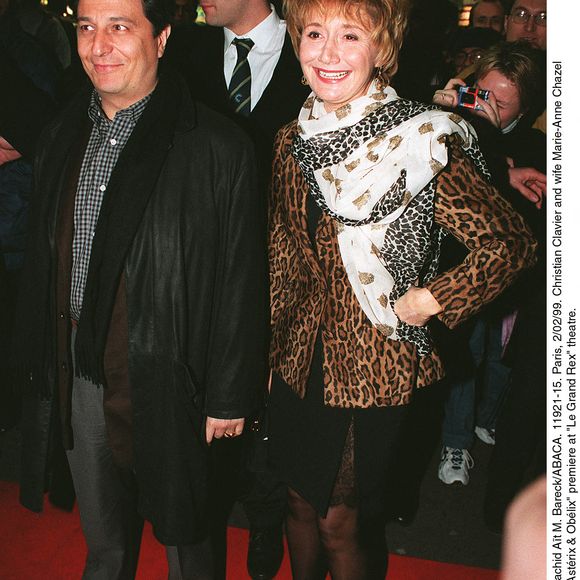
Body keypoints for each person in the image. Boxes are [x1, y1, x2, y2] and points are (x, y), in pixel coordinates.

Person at [267, 0, 537, 577]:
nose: (329, 52)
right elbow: (284, 257)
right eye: (314, 33)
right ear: (297, 43)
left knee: (339, 519)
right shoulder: (292, 140)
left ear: (382, 50)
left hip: (374, 362)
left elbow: (510, 243)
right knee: (294, 499)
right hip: (298, 360)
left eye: (350, 35)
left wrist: (434, 298)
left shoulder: (421, 140)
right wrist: (271, 354)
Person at [14, 0, 268, 578]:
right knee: (103, 537)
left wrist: (229, 394)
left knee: (189, 537)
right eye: (86, 27)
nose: (98, 46)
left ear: (162, 38)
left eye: (121, 27)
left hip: (173, 375)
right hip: (77, 366)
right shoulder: (60, 135)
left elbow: (241, 282)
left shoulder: (216, 147)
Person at [165, 3, 309, 578]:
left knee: (267, 407)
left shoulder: (315, 52)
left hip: (287, 269)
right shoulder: (185, 50)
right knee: (211, 398)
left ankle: (266, 513)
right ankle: (216, 502)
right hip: (204, 263)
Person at [432, 40, 545, 486]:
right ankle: (455, 443)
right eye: (481, 91)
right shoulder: (447, 122)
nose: (486, 104)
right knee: (468, 354)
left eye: (501, 101)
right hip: (455, 272)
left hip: (509, 276)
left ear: (523, 107)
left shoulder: (533, 143)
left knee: (500, 358)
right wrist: (444, 101)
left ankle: (486, 419)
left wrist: (500, 160)